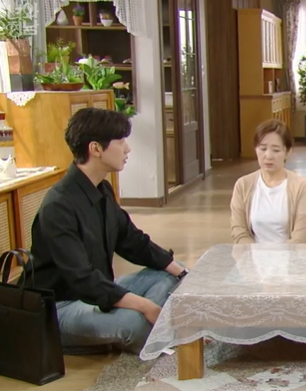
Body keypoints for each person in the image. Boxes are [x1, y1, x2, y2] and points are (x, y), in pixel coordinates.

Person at [30, 108, 189, 354]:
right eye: (121, 141)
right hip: (62, 307)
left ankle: (150, 329)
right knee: (133, 321)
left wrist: (183, 273)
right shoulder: (58, 206)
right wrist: (145, 306)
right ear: (95, 149)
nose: (128, 149)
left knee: (171, 272)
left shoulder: (102, 189)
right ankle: (151, 329)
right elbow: (82, 280)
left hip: (98, 292)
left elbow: (133, 241)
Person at [230, 119, 306, 243]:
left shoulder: (300, 186)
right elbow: (239, 231)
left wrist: (280, 255)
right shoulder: (243, 185)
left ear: (287, 152)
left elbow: (299, 238)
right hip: (252, 254)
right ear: (255, 149)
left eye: (276, 150)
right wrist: (254, 254)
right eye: (263, 148)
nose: (268, 156)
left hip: (291, 254)